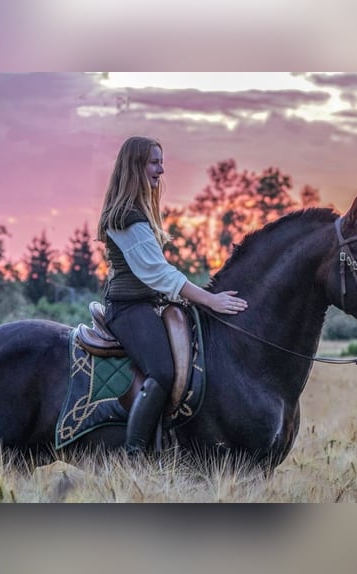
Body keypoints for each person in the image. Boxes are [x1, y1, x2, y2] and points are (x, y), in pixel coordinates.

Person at [97, 136, 248, 455]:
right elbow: (158, 273)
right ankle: (134, 453)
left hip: (150, 305)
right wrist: (210, 300)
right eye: (154, 162)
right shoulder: (126, 216)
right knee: (162, 372)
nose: (161, 170)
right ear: (135, 165)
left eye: (161, 162)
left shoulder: (139, 212)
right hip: (128, 309)